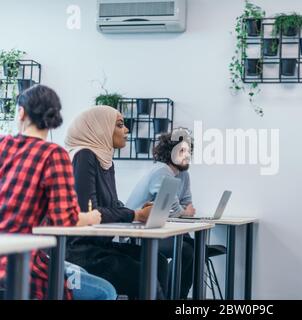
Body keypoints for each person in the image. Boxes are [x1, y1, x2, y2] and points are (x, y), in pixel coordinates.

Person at [0, 85, 117, 300]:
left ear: (22, 113)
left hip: (8, 257)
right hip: (22, 265)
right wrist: (91, 217)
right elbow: (65, 219)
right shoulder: (53, 154)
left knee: (77, 272)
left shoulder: (3, 145)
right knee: (105, 291)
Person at [64, 105, 169, 299]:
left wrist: (137, 211)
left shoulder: (104, 159)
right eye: (120, 125)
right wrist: (135, 215)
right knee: (144, 274)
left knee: (159, 262)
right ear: (100, 128)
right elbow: (90, 212)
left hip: (100, 247)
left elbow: (112, 205)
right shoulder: (84, 155)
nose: (127, 130)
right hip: (80, 252)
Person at [126, 131, 195, 299]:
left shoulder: (183, 175)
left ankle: (177, 296)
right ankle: (171, 296)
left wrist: (184, 211)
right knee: (186, 250)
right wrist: (184, 211)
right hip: (139, 232)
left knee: (193, 248)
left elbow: (187, 203)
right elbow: (177, 211)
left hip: (159, 229)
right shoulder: (161, 171)